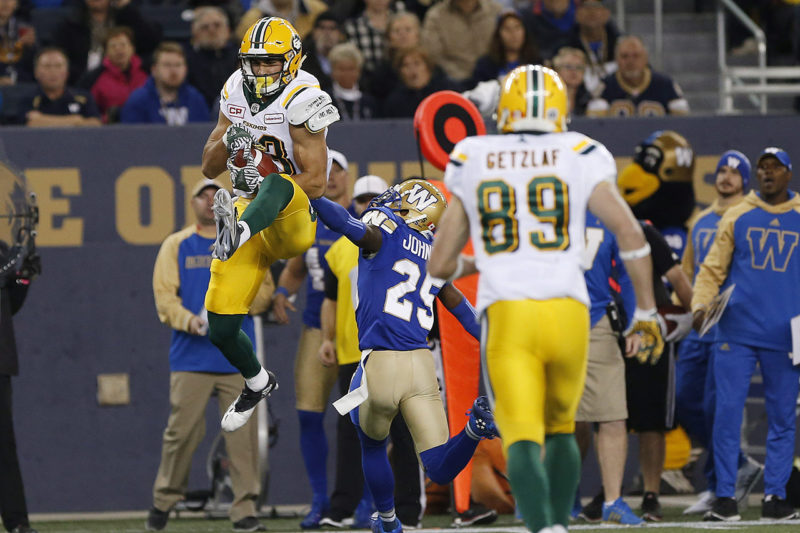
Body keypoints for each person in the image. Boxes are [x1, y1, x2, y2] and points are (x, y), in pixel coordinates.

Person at [427, 64, 663, 533]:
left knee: (521, 435)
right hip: (569, 309)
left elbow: (439, 266)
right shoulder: (581, 151)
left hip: (510, 312)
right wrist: (647, 310)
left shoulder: (474, 154)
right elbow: (631, 234)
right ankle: (558, 522)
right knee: (560, 427)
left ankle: (544, 527)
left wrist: (479, 262)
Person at [310, 178, 501, 533]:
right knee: (439, 467)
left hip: (380, 362)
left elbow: (345, 224)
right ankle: (474, 429)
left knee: (370, 443)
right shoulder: (433, 251)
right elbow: (465, 313)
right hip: (422, 365)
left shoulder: (384, 231)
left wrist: (313, 195)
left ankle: (387, 520)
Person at [200, 16, 339, 433]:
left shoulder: (303, 96)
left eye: (269, 63)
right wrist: (232, 140)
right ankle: (257, 381)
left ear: (292, 61)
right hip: (248, 207)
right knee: (221, 327)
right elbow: (209, 167)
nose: (259, 71)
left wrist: (260, 180)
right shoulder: (234, 89)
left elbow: (315, 181)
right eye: (253, 62)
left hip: (292, 215)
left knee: (276, 182)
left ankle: (238, 231)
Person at [146, 179, 273, 533]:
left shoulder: (247, 243)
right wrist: (189, 321)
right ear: (192, 203)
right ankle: (163, 501)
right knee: (181, 433)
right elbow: (164, 296)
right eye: (203, 195)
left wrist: (238, 302)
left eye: (216, 194)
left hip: (236, 360)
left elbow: (263, 296)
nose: (209, 200)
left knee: (243, 440)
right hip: (191, 358)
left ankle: (245, 509)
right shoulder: (177, 244)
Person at [693, 147, 800, 522]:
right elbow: (711, 269)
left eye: (775, 168)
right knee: (726, 413)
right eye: (763, 168)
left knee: (783, 416)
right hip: (735, 329)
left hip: (787, 334)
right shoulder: (738, 214)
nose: (768, 173)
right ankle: (725, 497)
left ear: (788, 173)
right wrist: (700, 307)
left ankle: (775, 496)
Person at [319, 174, 425, 529]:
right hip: (356, 353)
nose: (367, 206)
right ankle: (344, 506)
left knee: (403, 433)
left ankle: (407, 510)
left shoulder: (404, 241)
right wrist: (327, 338)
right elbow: (331, 300)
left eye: (374, 199)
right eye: (362, 199)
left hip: (396, 349)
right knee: (353, 433)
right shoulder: (339, 248)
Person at [268, 149, 353, 529]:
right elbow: (296, 267)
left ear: (348, 178)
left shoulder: (364, 218)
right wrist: (283, 294)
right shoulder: (308, 218)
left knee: (367, 416)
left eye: (338, 170)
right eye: (326, 169)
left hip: (357, 329)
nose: (331, 177)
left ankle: (368, 498)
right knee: (308, 413)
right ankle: (320, 498)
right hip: (318, 326)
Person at [677, 150, 763, 516]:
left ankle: (718, 485)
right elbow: (691, 272)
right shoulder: (699, 221)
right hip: (702, 323)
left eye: (735, 171)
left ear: (746, 179)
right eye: (722, 170)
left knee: (718, 407)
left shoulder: (751, 216)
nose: (726, 177)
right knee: (682, 397)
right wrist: (687, 313)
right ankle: (740, 463)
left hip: (732, 321)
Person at [573, 210, 642, 526]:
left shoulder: (608, 212)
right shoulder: (542, 200)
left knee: (613, 414)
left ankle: (613, 501)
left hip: (598, 320)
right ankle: (559, 496)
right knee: (556, 418)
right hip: (548, 320)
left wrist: (634, 322)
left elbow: (628, 273)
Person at [0, 241, 38, 533]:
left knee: (4, 445)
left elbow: (8, 306)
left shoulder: (1, 251)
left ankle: (16, 522)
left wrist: (24, 277)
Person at [48, 0, 162, 85]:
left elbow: (151, 42)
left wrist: (126, 8)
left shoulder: (127, 16)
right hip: (82, 82)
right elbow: (60, 56)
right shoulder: (70, 23)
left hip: (123, 80)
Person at [586, 35, 689, 118]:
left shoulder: (666, 84)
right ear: (616, 59)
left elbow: (682, 122)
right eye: (624, 56)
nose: (630, 61)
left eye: (636, 56)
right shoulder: (605, 86)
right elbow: (595, 124)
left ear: (646, 58)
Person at [120, 42, 210, 125]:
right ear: (154, 70)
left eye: (178, 65)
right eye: (167, 65)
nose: (173, 70)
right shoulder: (138, 101)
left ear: (185, 69)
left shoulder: (196, 99)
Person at [420, 0, 503, 84]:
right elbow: (433, 54)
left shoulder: (495, 10)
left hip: (494, 75)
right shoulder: (435, 16)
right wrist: (456, 74)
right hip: (453, 80)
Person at [78, 26, 148, 123]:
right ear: (106, 52)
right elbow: (88, 111)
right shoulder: (94, 78)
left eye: (123, 45)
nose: (118, 49)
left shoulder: (147, 72)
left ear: (132, 48)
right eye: (113, 46)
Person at [20, 47, 102, 127]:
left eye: (58, 66)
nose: (53, 71)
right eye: (47, 66)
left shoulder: (83, 98)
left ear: (67, 72)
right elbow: (30, 124)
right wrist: (76, 120)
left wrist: (42, 119)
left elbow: (95, 123)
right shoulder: (28, 99)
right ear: (36, 72)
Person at [184, 6, 239, 110]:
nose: (212, 30)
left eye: (217, 25)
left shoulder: (240, 57)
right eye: (205, 27)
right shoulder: (186, 59)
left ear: (227, 30)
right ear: (195, 32)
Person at [469, 10, 541, 89]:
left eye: (517, 27)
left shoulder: (536, 63)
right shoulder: (485, 65)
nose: (513, 33)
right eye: (507, 29)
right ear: (498, 34)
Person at [380, 46, 458, 118]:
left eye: (417, 63)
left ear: (427, 66)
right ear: (400, 71)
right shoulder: (394, 102)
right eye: (406, 65)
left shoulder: (447, 91)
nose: (412, 70)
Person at [567, 0, 619, 95]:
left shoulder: (621, 45)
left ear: (606, 14)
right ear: (577, 14)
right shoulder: (565, 47)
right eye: (586, 7)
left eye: (596, 6)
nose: (592, 11)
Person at [301, 11, 346, 96]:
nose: (327, 33)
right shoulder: (302, 58)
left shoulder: (347, 57)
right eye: (322, 28)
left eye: (332, 28)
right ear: (314, 33)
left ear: (340, 34)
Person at [327, 42, 377, 120]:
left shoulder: (369, 102)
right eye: (342, 69)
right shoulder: (325, 101)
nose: (347, 73)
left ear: (359, 71)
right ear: (332, 71)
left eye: (351, 69)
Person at [0, 0, 36, 86]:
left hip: (22, 83)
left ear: (17, 4)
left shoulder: (25, 28)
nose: (5, 3)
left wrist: (31, 47)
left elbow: (33, 65)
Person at [552, 46, 591, 116]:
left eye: (579, 67)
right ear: (557, 70)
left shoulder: (589, 100)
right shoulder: (547, 98)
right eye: (568, 66)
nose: (573, 71)